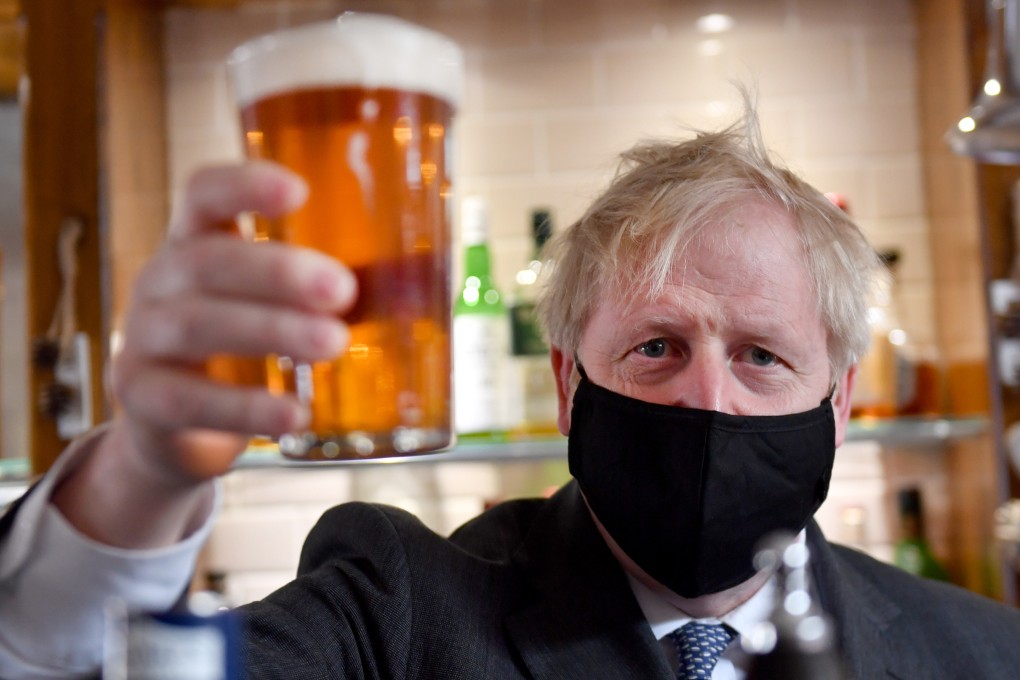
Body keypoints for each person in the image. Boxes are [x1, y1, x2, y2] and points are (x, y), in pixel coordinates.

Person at [3, 98, 1020, 680]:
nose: (707, 399)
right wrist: (138, 477)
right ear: (570, 386)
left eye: (761, 355)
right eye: (658, 346)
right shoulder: (400, 611)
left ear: (839, 400)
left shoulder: (983, 650)